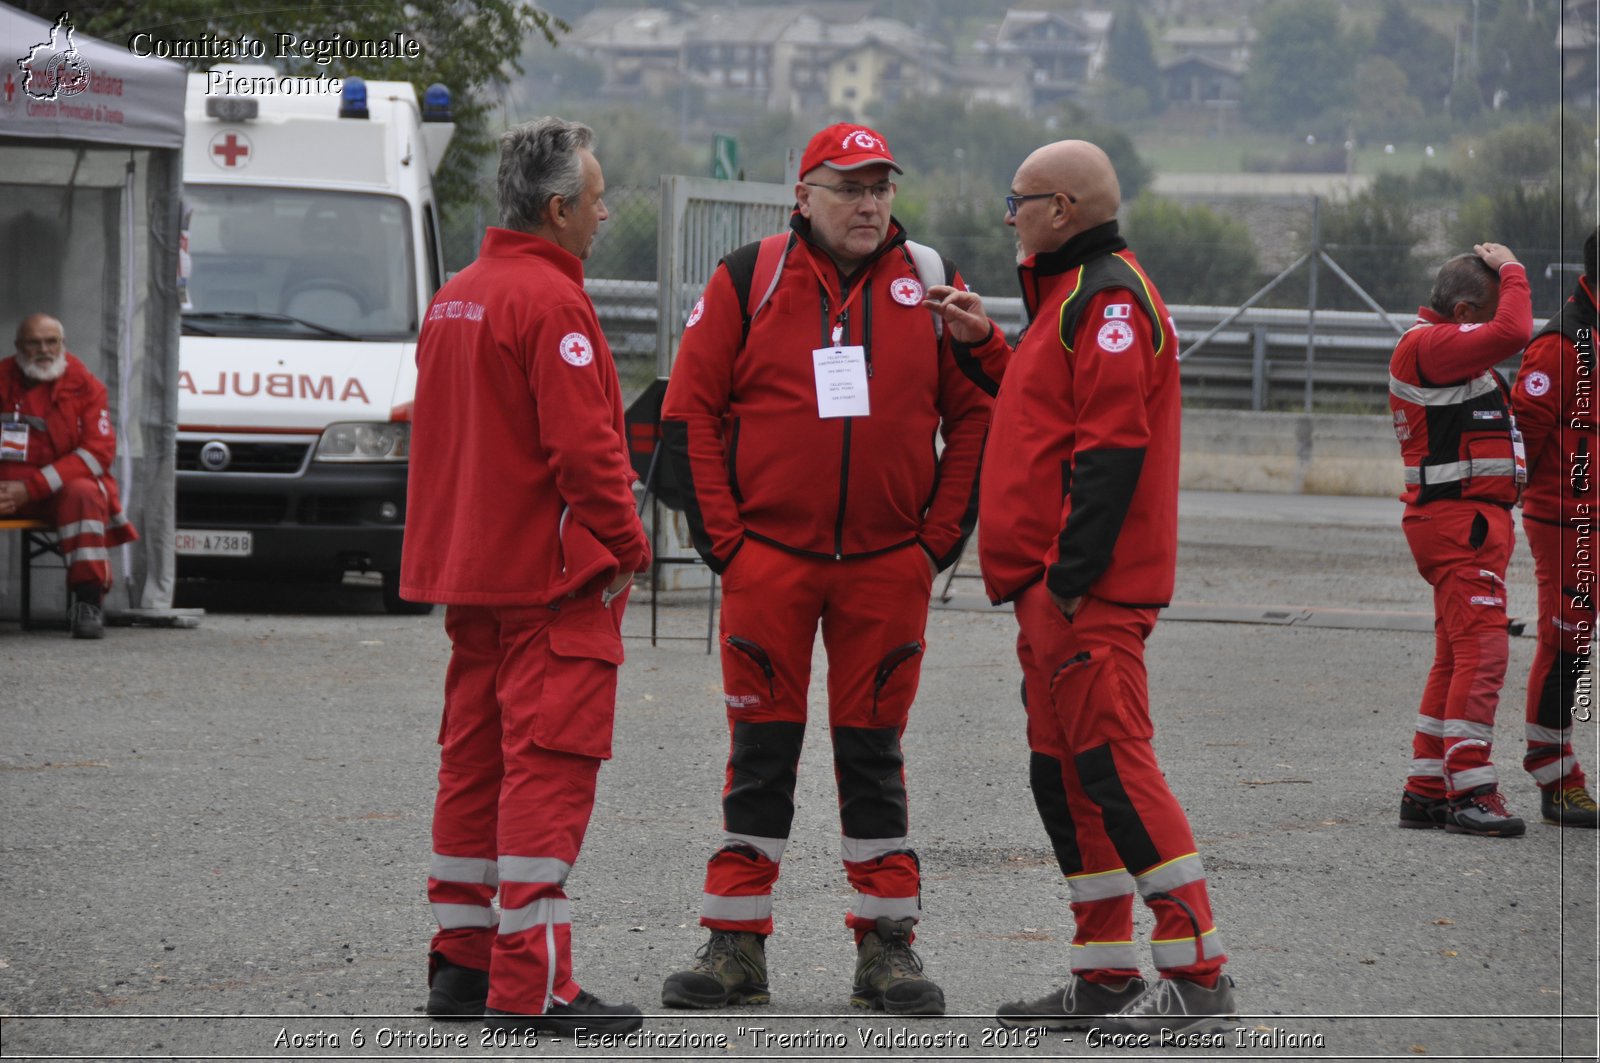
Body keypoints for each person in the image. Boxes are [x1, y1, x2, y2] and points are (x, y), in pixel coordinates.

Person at [658, 122, 1005, 1016]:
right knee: (760, 754)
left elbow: (977, 416)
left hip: (888, 565)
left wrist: (935, 541)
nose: (869, 202)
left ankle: (887, 947)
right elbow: (691, 413)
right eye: (849, 185)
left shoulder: (930, 280)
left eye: (881, 185)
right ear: (802, 195)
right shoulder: (749, 276)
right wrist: (726, 542)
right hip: (769, 560)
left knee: (873, 754)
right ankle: (736, 944)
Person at [978, 140, 1238, 1036]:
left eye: (1016, 202)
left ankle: (1198, 972)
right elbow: (1048, 412)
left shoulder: (1108, 298)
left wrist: (1071, 580)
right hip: (1051, 595)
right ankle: (1103, 973)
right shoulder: (1067, 297)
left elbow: (1111, 446)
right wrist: (986, 340)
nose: (1008, 217)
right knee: (1070, 781)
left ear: (1060, 208)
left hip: (1085, 596)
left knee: (1118, 771)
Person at [398, 117, 650, 1035]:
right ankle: (531, 983)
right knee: (546, 773)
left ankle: (461, 968)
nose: (604, 212)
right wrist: (629, 546)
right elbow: (587, 456)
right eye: (594, 199)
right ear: (558, 209)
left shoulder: (457, 295)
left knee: (473, 768)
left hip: (474, 577)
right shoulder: (553, 303)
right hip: (550, 584)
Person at [1390, 244, 1533, 836]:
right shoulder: (1431, 345)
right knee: (1483, 652)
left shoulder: (1447, 356)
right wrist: (1514, 269)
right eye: (1490, 310)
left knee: (1456, 653)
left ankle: (1426, 788)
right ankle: (1471, 788)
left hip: (1462, 522)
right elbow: (1516, 328)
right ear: (1468, 309)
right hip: (1457, 524)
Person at [1511, 228, 1599, 828]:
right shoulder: (1561, 345)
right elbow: (1525, 439)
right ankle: (1554, 772)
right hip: (1567, 520)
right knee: (1567, 642)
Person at [0, 313, 137, 639]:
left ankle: (88, 603)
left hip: (56, 494)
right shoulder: (2, 378)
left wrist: (30, 488)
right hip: (4, 490)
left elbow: (97, 453)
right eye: (34, 342)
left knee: (85, 493)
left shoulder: (86, 386)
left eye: (52, 342)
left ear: (63, 344)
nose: (44, 349)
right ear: (19, 346)